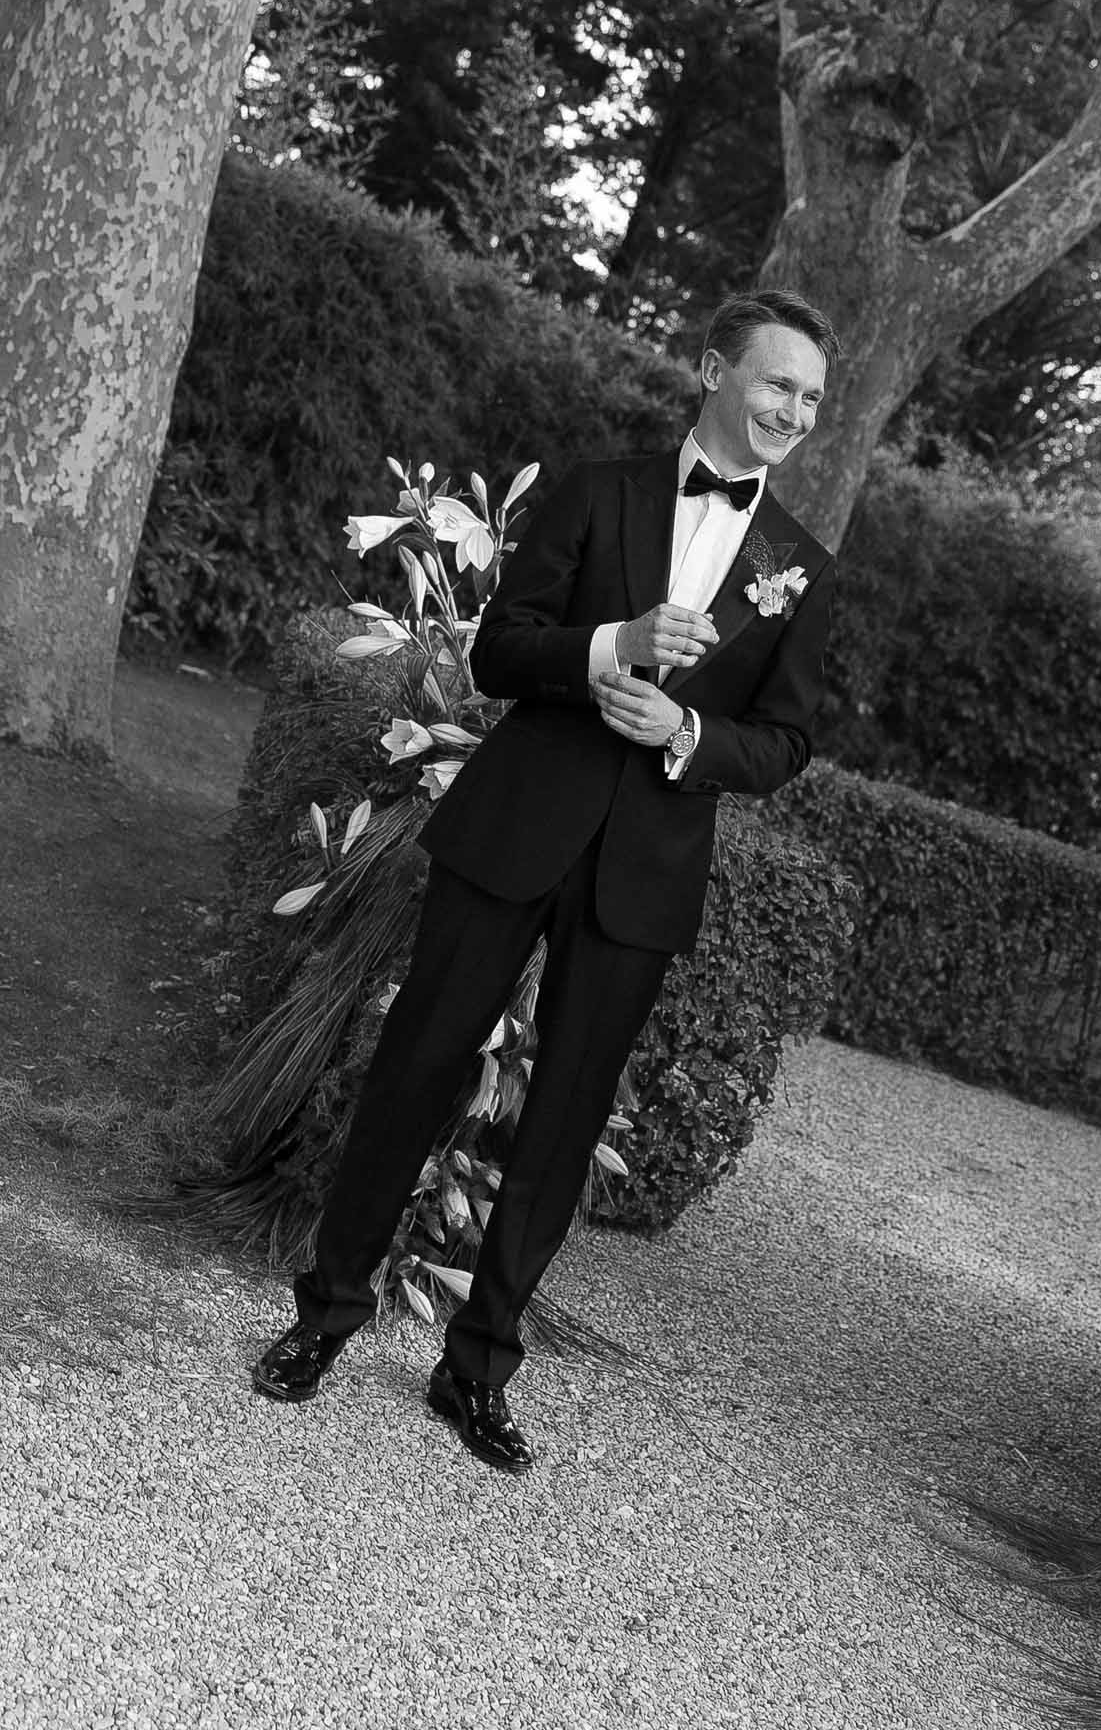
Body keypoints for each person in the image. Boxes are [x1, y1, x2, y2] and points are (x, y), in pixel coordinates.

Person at [251, 288, 840, 1474]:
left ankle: (477, 1367)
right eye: (779, 382)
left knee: (564, 1120)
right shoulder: (596, 489)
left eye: (812, 397)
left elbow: (784, 741)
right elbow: (500, 647)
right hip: (517, 824)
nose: (794, 410)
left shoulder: (801, 565)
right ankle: (327, 1312)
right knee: (416, 1065)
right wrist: (614, 646)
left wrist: (688, 731)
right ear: (714, 369)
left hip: (644, 870)